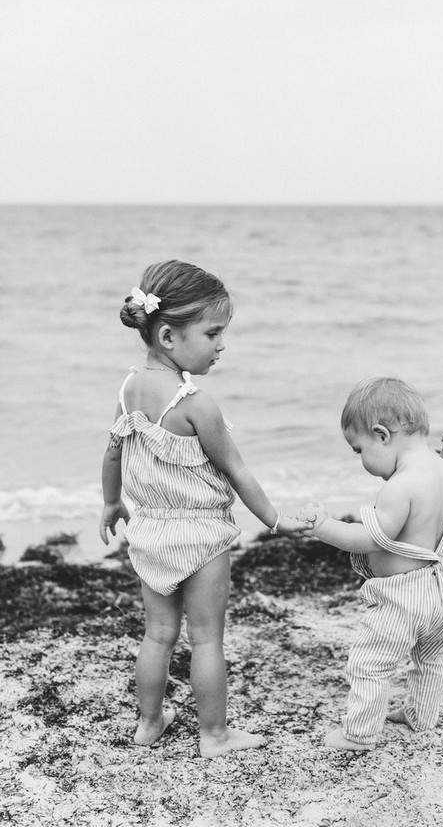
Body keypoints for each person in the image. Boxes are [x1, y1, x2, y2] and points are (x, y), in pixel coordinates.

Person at [99, 259, 308, 758]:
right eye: (213, 333)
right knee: (208, 638)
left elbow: (112, 452)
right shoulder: (196, 404)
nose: (221, 345)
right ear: (168, 336)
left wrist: (111, 502)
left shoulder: (128, 390)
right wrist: (276, 520)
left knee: (158, 635)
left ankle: (150, 722)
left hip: (150, 532)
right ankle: (214, 735)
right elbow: (237, 471)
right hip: (202, 536)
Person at [298, 377, 443, 751]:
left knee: (371, 662)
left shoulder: (399, 486)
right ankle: (421, 717)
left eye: (358, 449)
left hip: (405, 597)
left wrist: (325, 528)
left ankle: (358, 735)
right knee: (432, 657)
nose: (361, 460)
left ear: (381, 435)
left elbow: (372, 537)